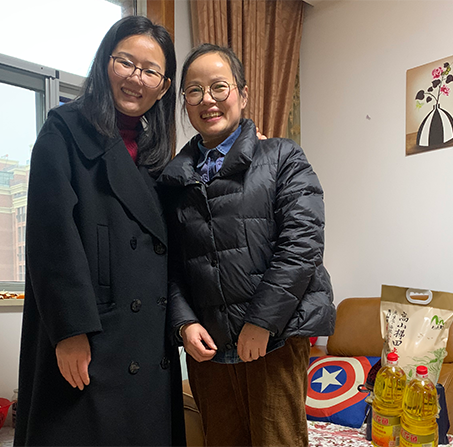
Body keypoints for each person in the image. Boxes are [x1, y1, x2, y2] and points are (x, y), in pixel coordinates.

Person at [14, 16, 185, 447]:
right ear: (105, 62)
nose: (136, 78)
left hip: (147, 342)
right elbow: (51, 240)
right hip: (91, 336)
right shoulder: (64, 129)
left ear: (164, 87)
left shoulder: (156, 153)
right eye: (126, 62)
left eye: (150, 71)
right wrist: (70, 331)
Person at [158, 44, 336, 447]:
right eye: (194, 90)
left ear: (242, 93)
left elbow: (302, 243)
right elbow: (168, 265)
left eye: (219, 87)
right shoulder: (173, 180)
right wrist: (184, 324)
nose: (207, 99)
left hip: (274, 340)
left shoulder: (282, 156)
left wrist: (262, 322)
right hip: (208, 349)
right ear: (184, 103)